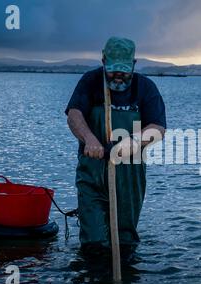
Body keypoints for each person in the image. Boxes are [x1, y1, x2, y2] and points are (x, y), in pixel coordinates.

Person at [65, 37, 166, 257]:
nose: (118, 75)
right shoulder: (90, 82)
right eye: (112, 70)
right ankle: (95, 283)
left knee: (125, 240)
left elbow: (158, 128)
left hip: (129, 176)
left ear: (134, 64)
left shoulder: (145, 87)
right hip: (92, 171)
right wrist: (89, 139)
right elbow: (74, 114)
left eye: (124, 70)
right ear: (103, 61)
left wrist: (132, 143)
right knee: (93, 240)